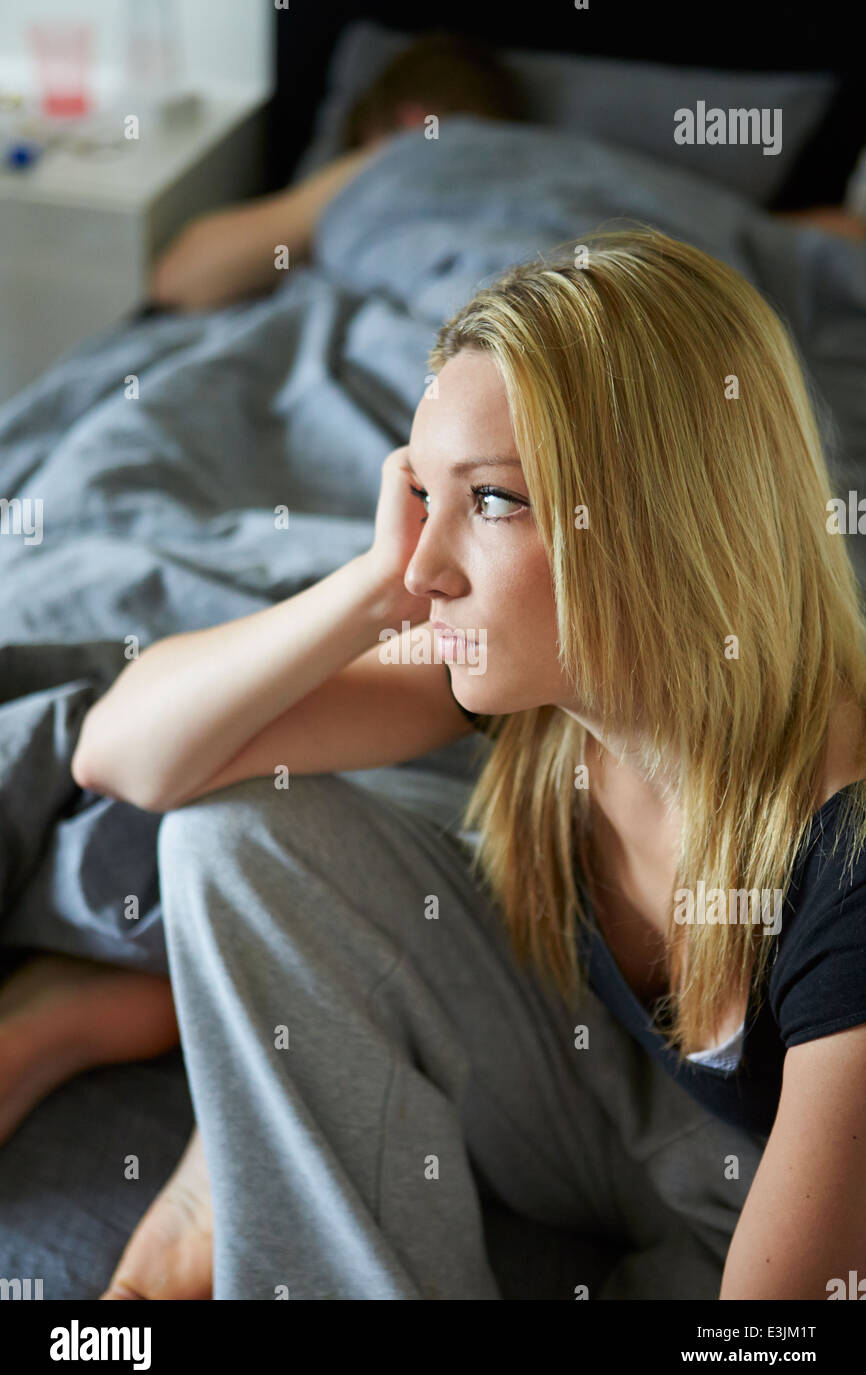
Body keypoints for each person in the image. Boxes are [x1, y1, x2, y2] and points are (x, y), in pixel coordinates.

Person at [4, 223, 860, 1299]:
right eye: (422, 496)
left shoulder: (845, 861)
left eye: (493, 500)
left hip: (747, 1193)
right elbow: (124, 753)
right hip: (584, 1086)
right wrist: (370, 584)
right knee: (236, 832)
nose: (427, 565)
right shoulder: (528, 674)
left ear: (660, 517)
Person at [147, 30, 527, 313]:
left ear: (409, 119)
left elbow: (178, 281)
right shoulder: (583, 160)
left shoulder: (402, 154)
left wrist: (363, 165)